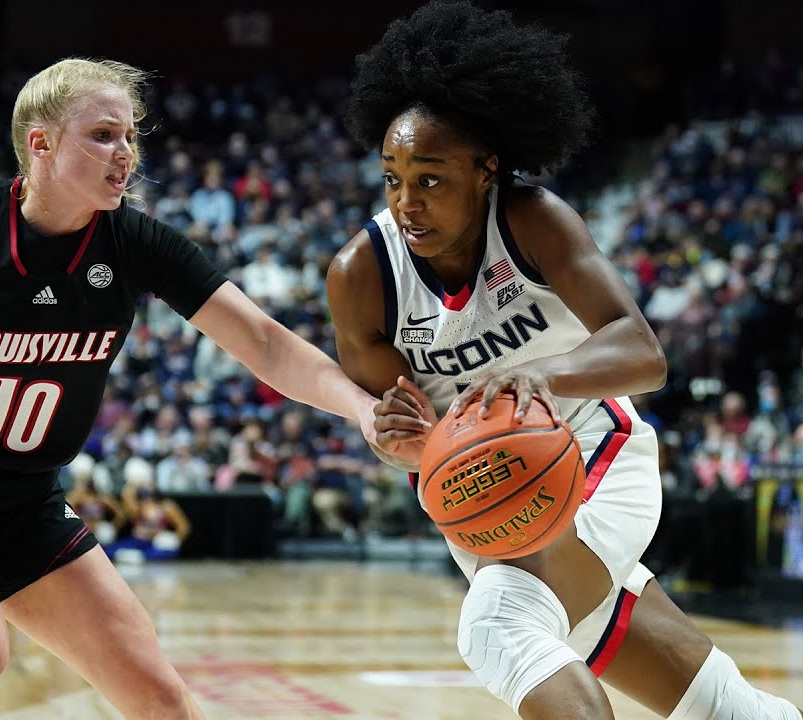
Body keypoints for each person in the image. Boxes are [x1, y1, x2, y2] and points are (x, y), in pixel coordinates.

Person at [0, 57, 383, 720]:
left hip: (18, 501)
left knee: (160, 701)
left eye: (130, 136)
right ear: (41, 143)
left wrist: (362, 408)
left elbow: (264, 343)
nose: (126, 153)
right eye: (103, 135)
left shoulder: (136, 244)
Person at [326, 3, 802, 719]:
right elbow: (410, 434)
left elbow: (643, 352)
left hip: (588, 450)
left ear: (486, 170)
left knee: (500, 627)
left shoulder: (531, 220)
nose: (406, 202)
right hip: (483, 492)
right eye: (392, 178)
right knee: (722, 708)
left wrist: (542, 374)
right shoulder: (361, 274)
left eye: (430, 179)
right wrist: (400, 439)